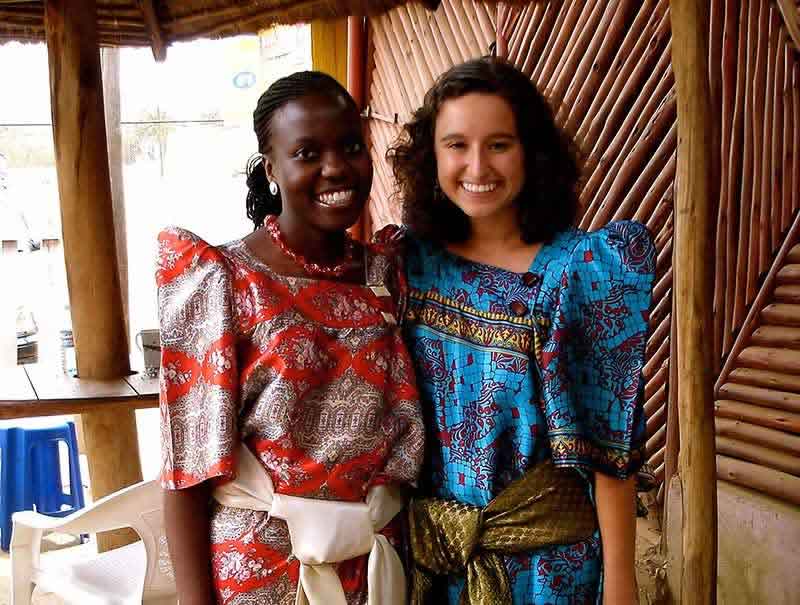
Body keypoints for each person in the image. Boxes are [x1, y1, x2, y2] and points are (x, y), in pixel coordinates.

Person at [386, 58, 655, 605]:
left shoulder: (580, 272)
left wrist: (621, 585)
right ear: (430, 156)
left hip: (550, 570)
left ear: (532, 151)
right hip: (436, 558)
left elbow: (608, 451)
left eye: (500, 144)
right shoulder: (407, 264)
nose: (477, 165)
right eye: (456, 144)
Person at [157, 71, 424, 605]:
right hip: (267, 569)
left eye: (351, 146)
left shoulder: (388, 273)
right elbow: (186, 466)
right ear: (271, 166)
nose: (336, 168)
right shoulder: (224, 278)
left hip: (377, 563)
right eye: (307, 152)